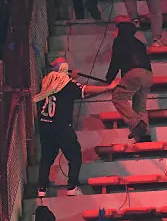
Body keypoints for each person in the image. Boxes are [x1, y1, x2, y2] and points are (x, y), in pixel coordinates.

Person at [35, 58, 118, 198]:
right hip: (61, 126)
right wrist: (107, 88)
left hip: (45, 125)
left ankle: (41, 189)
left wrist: (71, 77)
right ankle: (72, 187)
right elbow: (86, 90)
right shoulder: (68, 84)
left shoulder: (46, 82)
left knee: (46, 158)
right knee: (75, 156)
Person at [105, 22, 154, 142]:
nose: (114, 33)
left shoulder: (119, 42)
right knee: (140, 106)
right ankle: (145, 137)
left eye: (116, 30)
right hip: (148, 75)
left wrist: (109, 79)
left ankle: (136, 124)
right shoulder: (140, 43)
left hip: (133, 73)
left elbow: (115, 62)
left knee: (118, 98)